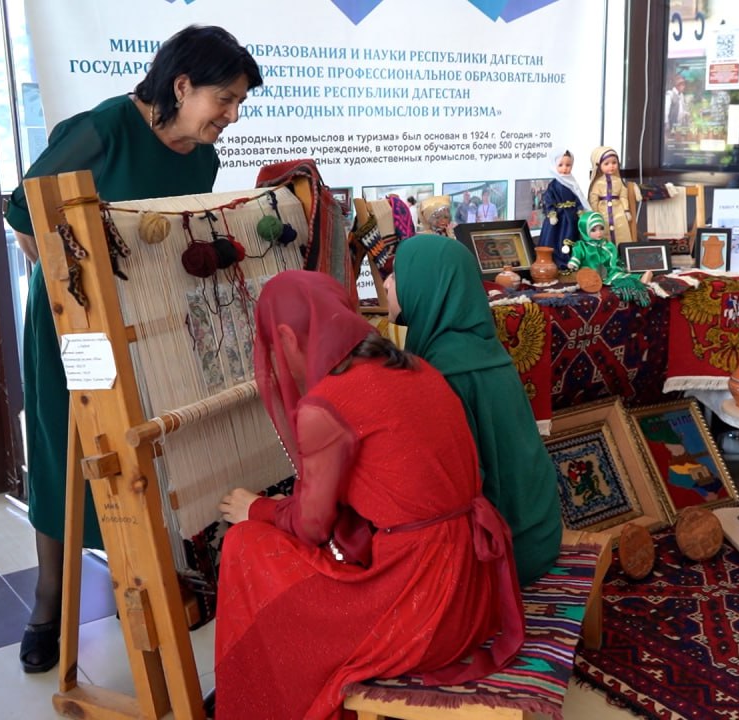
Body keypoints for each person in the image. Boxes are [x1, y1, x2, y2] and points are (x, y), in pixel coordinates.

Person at [2, 25, 262, 673]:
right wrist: (61, 267)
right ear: (181, 86)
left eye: (238, 105)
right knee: (68, 456)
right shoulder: (104, 129)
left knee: (142, 451)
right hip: (75, 330)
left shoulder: (201, 158)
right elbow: (20, 210)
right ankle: (47, 606)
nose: (230, 117)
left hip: (151, 324)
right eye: (223, 100)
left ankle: (138, 583)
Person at [215, 271, 524, 718]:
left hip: (423, 613)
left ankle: (272, 695)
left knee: (245, 544)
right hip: (475, 593)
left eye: (271, 347)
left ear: (285, 336)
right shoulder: (417, 366)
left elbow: (311, 526)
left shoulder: (327, 404)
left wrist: (255, 508)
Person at [385, 234, 562, 585]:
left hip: (499, 554)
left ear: (426, 286)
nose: (387, 283)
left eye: (396, 274)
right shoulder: (483, 348)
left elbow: (447, 493)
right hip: (538, 533)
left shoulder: (442, 373)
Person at [567, 211, 651, 306]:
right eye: (593, 230)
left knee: (620, 275)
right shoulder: (581, 246)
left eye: (601, 228)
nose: (599, 232)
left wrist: (620, 265)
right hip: (591, 272)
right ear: (584, 230)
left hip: (609, 271)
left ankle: (641, 278)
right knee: (594, 279)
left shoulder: (608, 245)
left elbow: (614, 259)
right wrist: (574, 263)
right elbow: (577, 256)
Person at [538, 150, 588, 269]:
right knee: (555, 239)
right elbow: (548, 199)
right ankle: (555, 262)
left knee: (571, 238)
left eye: (568, 165)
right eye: (561, 165)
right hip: (558, 219)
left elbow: (578, 198)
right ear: (554, 166)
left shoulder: (573, 183)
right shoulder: (554, 185)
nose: (564, 168)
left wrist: (580, 210)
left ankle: (570, 262)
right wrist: (552, 213)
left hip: (571, 218)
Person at [587, 146, 640, 243]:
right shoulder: (598, 183)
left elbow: (623, 196)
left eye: (614, 163)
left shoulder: (619, 181)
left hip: (618, 211)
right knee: (605, 231)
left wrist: (626, 210)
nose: (611, 166)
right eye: (606, 164)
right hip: (603, 212)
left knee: (621, 231)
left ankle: (622, 250)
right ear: (599, 166)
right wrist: (595, 212)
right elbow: (593, 198)